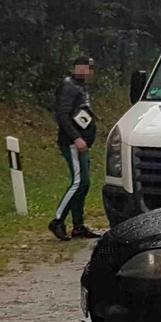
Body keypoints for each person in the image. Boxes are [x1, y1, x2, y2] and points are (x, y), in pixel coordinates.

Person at [50, 56, 101, 241]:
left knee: (85, 183)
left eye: (89, 68)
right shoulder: (69, 86)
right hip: (72, 143)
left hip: (83, 143)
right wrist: (76, 138)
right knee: (79, 182)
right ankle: (57, 220)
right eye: (83, 67)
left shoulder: (80, 87)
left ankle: (78, 225)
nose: (86, 71)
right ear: (76, 68)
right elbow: (62, 115)